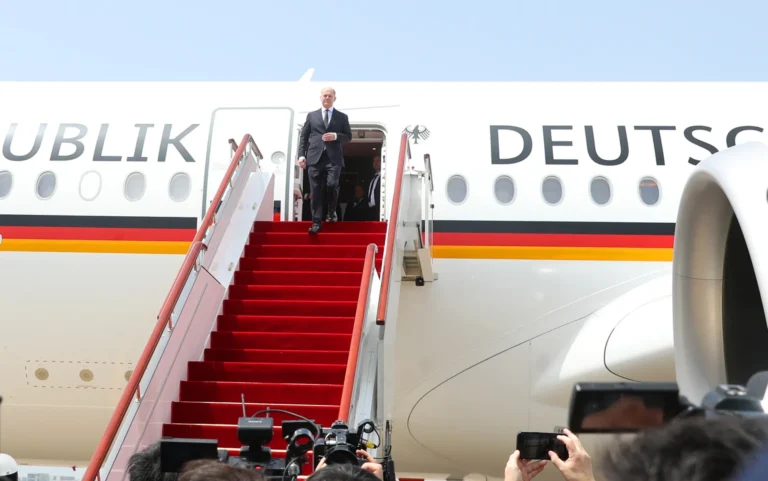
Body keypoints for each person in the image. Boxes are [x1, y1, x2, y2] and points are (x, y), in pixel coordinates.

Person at [298, 87, 352, 234]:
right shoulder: (312, 116)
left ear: (335, 98)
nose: (327, 98)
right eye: (324, 95)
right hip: (314, 158)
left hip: (333, 159)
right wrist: (301, 155)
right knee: (315, 190)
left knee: (332, 184)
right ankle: (316, 223)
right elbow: (304, 136)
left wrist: (336, 136)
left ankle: (331, 211)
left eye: (330, 96)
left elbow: (348, 137)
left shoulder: (342, 117)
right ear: (320, 97)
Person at [366, 156, 381, 221]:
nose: (376, 163)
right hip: (370, 210)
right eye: (374, 161)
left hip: (379, 210)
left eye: (378, 160)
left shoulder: (384, 178)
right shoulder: (373, 178)